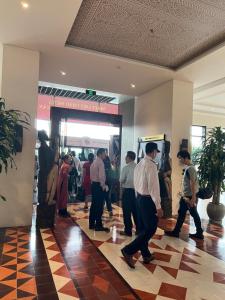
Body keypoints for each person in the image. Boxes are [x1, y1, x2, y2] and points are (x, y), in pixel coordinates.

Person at [121, 142, 163, 269]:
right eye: (156, 152)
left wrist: (136, 197)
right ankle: (128, 250)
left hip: (139, 198)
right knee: (151, 228)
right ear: (153, 151)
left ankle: (146, 255)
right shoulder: (151, 166)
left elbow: (136, 183)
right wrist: (158, 206)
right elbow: (153, 187)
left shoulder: (139, 163)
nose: (156, 155)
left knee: (143, 228)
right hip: (147, 200)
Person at [165, 150, 204, 239]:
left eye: (180, 158)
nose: (179, 161)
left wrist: (193, 198)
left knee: (193, 214)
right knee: (182, 213)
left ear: (185, 158)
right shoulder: (189, 168)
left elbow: (192, 183)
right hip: (186, 196)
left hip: (189, 197)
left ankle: (199, 233)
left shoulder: (190, 168)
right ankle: (177, 231)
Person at [89, 148, 110, 232]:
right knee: (99, 206)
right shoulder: (100, 162)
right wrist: (104, 186)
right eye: (104, 153)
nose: (105, 155)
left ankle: (91, 223)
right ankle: (98, 225)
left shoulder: (94, 162)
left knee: (94, 205)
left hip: (93, 185)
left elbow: (91, 175)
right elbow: (102, 176)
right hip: (98, 186)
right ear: (100, 154)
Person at [119, 151, 139, 237]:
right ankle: (139, 229)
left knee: (127, 212)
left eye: (126, 157)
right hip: (137, 192)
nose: (125, 158)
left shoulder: (125, 168)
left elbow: (121, 180)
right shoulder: (138, 167)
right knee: (136, 211)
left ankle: (128, 230)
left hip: (127, 192)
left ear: (129, 157)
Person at [103, 150, 113, 217]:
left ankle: (102, 210)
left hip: (104, 182)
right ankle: (110, 211)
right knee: (107, 197)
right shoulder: (110, 166)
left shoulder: (102, 165)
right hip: (109, 182)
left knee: (103, 196)